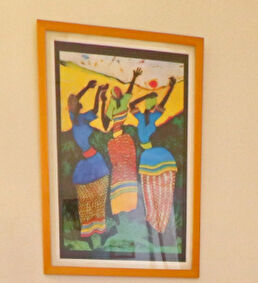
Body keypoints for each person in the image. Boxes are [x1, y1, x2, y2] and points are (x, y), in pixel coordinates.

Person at [133, 76, 180, 237]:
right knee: (148, 191)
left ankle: (161, 224)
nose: (148, 107)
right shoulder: (140, 117)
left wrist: (171, 88)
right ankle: (153, 223)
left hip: (155, 155)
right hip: (148, 155)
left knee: (160, 189)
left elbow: (164, 102)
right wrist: (145, 96)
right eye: (148, 104)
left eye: (150, 105)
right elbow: (132, 105)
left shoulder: (153, 117)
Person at [65, 79, 110, 240]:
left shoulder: (84, 118)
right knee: (87, 198)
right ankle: (88, 231)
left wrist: (98, 92)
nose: (78, 104)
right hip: (89, 161)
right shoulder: (74, 118)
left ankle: (99, 229)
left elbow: (96, 109)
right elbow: (74, 100)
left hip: (95, 158)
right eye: (77, 104)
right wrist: (86, 88)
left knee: (99, 194)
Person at [103, 67, 143, 218]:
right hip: (117, 138)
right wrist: (103, 101)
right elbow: (106, 122)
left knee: (129, 169)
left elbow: (129, 91)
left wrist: (134, 77)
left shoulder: (124, 101)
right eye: (116, 93)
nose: (118, 94)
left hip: (122, 138)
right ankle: (120, 204)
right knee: (119, 170)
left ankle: (129, 202)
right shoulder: (113, 105)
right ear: (114, 96)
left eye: (118, 92)